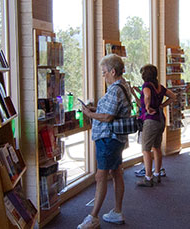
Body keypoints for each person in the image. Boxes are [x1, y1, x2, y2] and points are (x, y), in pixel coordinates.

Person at [77, 54, 133, 229]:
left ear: (113, 71)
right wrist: (97, 109)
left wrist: (89, 114)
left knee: (100, 176)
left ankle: (93, 217)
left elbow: (108, 117)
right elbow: (113, 110)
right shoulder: (124, 85)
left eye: (104, 72)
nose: (103, 76)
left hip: (108, 138)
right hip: (117, 139)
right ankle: (117, 211)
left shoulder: (115, 89)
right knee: (116, 172)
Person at [134, 65, 176, 187]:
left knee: (146, 149)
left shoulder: (146, 85)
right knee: (157, 147)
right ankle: (157, 174)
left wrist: (147, 107)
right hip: (160, 118)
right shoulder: (159, 87)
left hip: (150, 120)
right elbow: (173, 96)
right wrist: (162, 105)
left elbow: (147, 95)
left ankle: (148, 177)